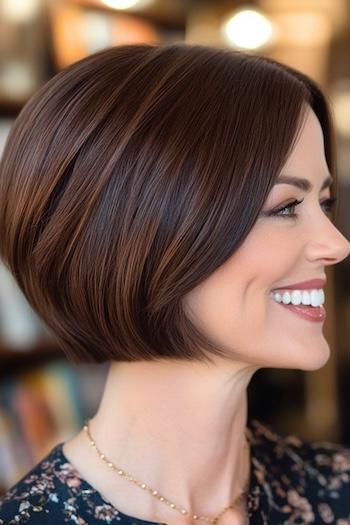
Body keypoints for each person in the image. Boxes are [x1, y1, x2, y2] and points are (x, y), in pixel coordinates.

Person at [0, 43, 350, 525]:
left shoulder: (335, 488)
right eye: (286, 206)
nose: (336, 244)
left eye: (325, 204)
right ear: (141, 233)